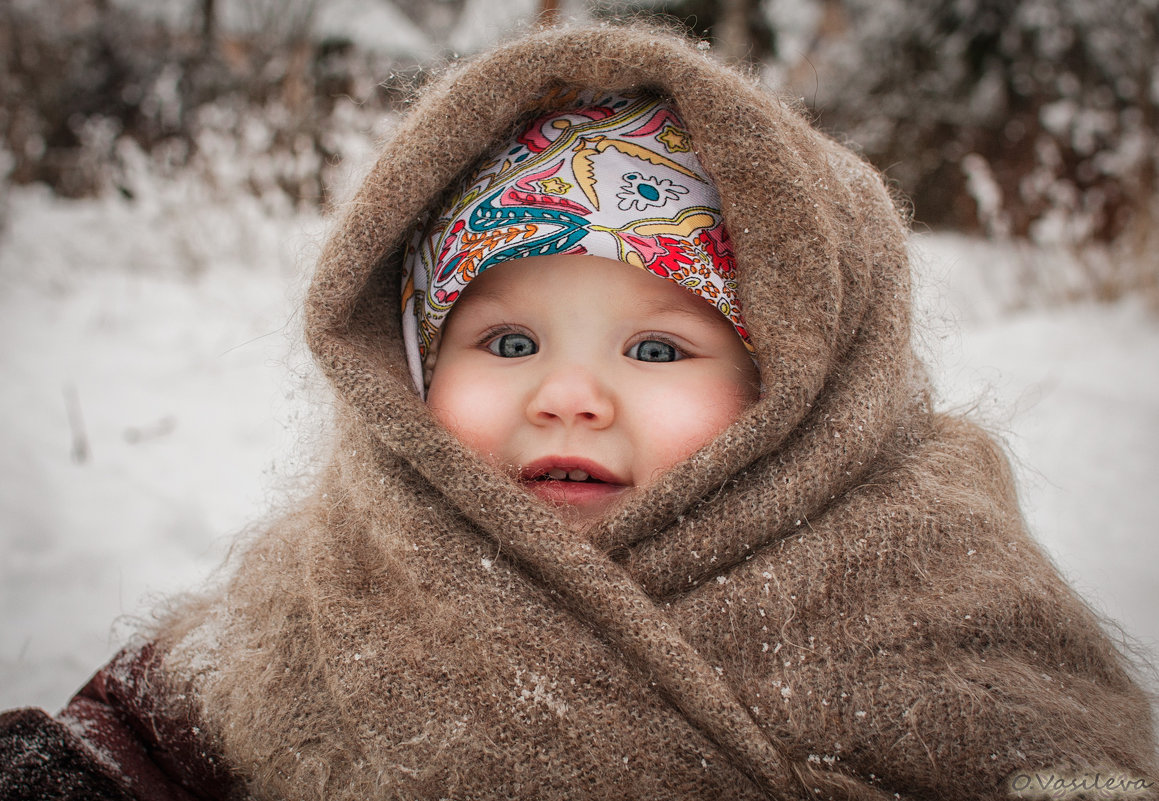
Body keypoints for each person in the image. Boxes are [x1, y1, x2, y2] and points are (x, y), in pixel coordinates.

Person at [2, 23, 1155, 801]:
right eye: (506, 342)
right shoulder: (341, 577)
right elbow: (155, 735)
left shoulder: (926, 578)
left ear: (795, 391)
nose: (566, 397)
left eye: (657, 346)